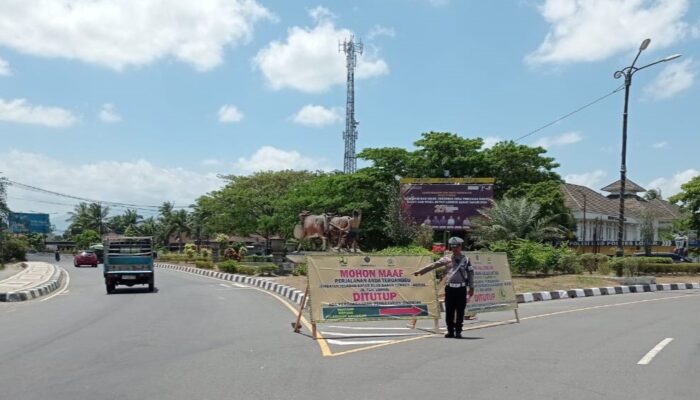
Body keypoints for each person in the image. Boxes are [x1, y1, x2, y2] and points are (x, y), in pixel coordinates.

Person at [414, 236, 474, 338]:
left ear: (460, 247)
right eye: (453, 247)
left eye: (457, 247)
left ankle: (458, 331)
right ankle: (450, 331)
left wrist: (471, 287)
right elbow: (434, 265)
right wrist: (421, 271)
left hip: (461, 289)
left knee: (460, 311)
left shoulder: (466, 260)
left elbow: (470, 274)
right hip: (450, 289)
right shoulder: (446, 259)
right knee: (449, 311)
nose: (455, 249)